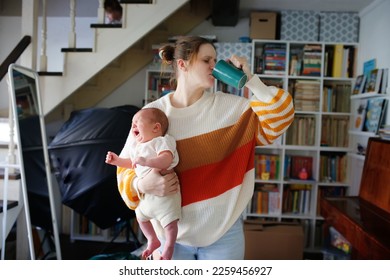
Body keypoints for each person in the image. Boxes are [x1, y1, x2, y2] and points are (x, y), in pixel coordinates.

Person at [115, 36, 295, 260]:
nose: (214, 66)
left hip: (224, 236)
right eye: (206, 60)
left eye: (216, 60)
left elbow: (282, 117)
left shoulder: (234, 109)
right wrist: (142, 184)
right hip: (169, 237)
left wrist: (251, 80)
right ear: (183, 65)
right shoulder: (151, 115)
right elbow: (124, 171)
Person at [106, 107, 180, 260]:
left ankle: (169, 246)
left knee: (171, 225)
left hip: (166, 198)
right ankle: (152, 239)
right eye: (132, 123)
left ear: (156, 127)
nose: (132, 126)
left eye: (137, 123)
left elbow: (166, 159)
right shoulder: (136, 147)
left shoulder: (162, 141)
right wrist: (117, 161)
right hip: (146, 199)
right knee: (140, 218)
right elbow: (130, 164)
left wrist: (147, 161)